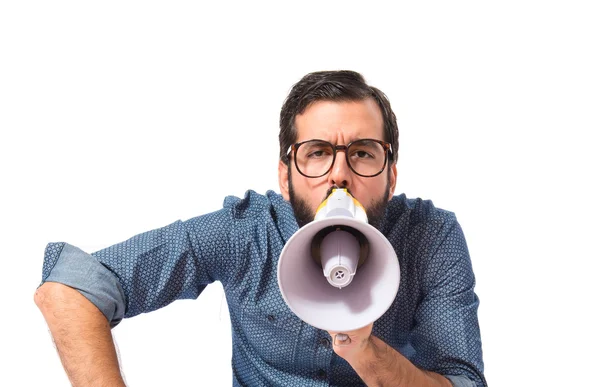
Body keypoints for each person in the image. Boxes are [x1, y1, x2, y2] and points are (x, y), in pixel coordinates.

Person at [34, 70, 486, 387]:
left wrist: (365, 352)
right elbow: (69, 290)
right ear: (284, 177)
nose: (339, 175)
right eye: (316, 152)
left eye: (364, 153)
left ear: (391, 174)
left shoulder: (432, 237)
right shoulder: (245, 233)